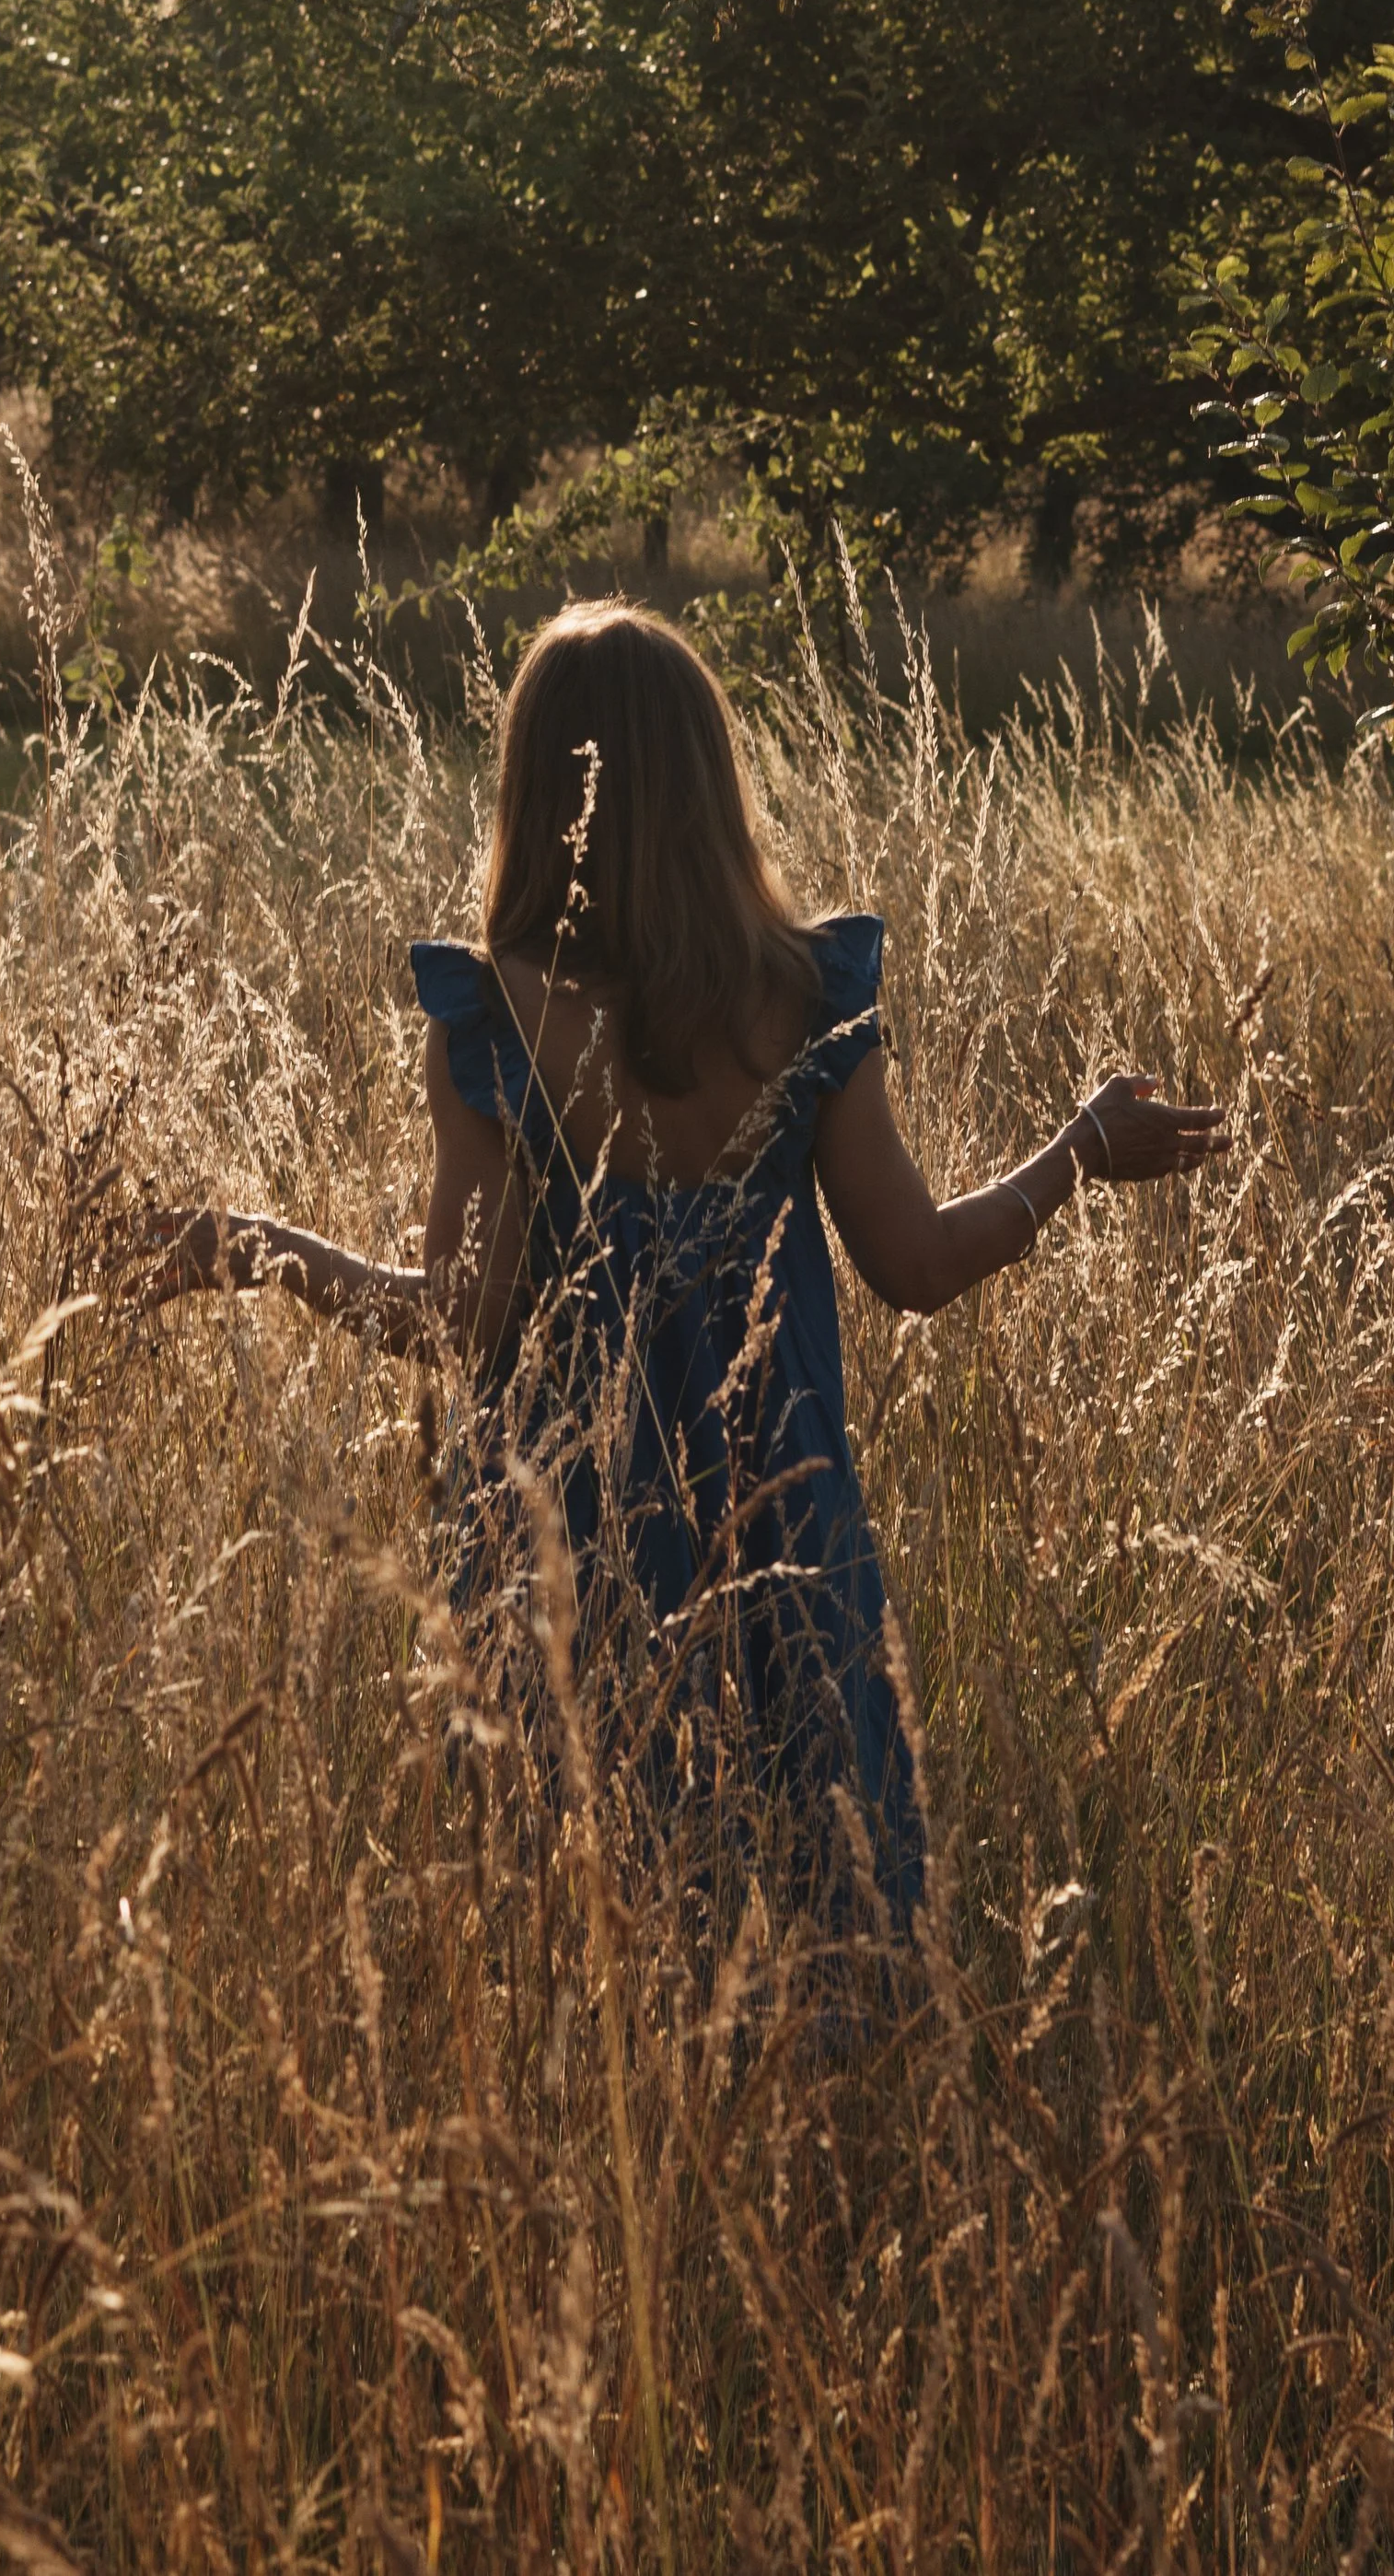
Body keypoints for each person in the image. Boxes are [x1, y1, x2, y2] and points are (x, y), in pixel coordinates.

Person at [140, 600, 1226, 1935]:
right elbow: (923, 1263)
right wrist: (1079, 1148)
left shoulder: (490, 1018)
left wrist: (258, 1247)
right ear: (713, 781)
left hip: (560, 1549)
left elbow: (460, 1322)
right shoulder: (807, 998)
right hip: (784, 1526)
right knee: (815, 1895)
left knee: (588, 1932)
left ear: (534, 791)